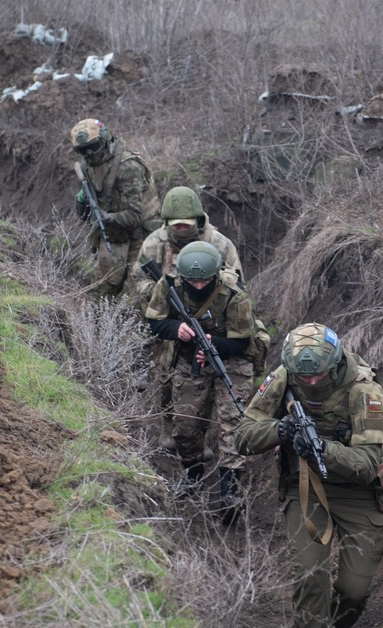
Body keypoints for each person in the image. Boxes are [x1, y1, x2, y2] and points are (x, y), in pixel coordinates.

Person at [235, 323, 383, 628]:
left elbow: (368, 464)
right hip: (306, 487)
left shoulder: (363, 389)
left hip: (359, 493)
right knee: (311, 577)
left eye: (318, 375)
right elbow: (243, 435)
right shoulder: (286, 375)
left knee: (354, 592)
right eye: (304, 377)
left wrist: (323, 449)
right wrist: (279, 431)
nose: (310, 381)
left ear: (335, 364)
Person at [143, 241, 255, 517]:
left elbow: (242, 342)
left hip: (231, 361)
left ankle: (229, 492)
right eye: (193, 281)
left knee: (233, 423)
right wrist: (176, 328)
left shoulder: (233, 293)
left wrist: (212, 343)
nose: (198, 286)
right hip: (189, 358)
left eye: (205, 280)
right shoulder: (170, 285)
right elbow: (155, 322)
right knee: (185, 425)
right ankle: (193, 475)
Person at [133, 185, 245, 451]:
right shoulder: (153, 244)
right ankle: (167, 426)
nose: (182, 231)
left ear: (198, 220)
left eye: (187, 226)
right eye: (176, 227)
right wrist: (161, 292)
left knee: (200, 376)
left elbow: (237, 285)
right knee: (165, 373)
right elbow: (137, 281)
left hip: (207, 321)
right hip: (167, 318)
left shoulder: (219, 245)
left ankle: (199, 435)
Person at [69, 118, 161, 299]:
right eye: (82, 150)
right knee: (97, 293)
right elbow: (84, 215)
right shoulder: (88, 167)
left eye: (93, 147)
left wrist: (105, 218)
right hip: (114, 236)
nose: (88, 154)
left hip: (141, 235)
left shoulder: (128, 166)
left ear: (105, 141)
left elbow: (134, 216)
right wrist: (82, 199)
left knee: (138, 293)